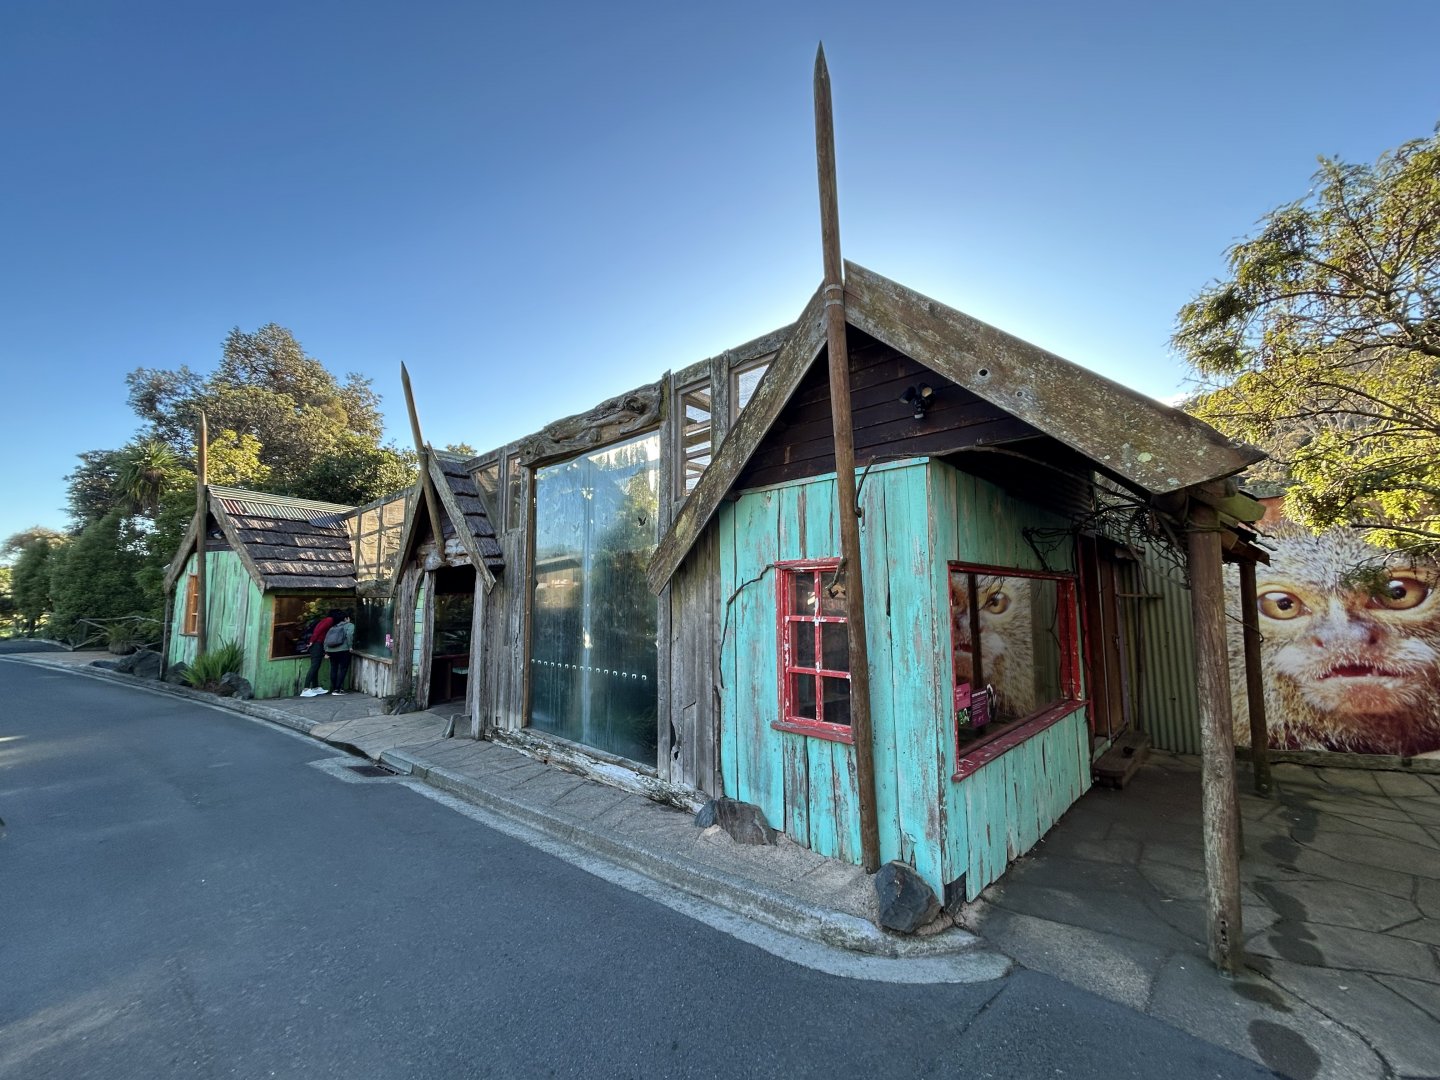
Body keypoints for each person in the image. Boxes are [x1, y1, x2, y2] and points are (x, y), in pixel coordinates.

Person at [300, 609, 340, 697]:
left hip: (318, 644)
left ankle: (315, 687)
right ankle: (305, 689)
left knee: (316, 666)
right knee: (314, 666)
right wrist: (312, 641)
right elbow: (318, 630)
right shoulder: (329, 620)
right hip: (316, 644)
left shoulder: (329, 620)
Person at [326, 610, 355, 696]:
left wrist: (326, 651)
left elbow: (326, 640)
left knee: (334, 669)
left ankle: (335, 688)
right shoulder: (350, 625)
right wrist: (350, 646)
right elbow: (350, 635)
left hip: (331, 651)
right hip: (344, 650)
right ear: (346, 618)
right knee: (342, 669)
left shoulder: (333, 627)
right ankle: (337, 690)